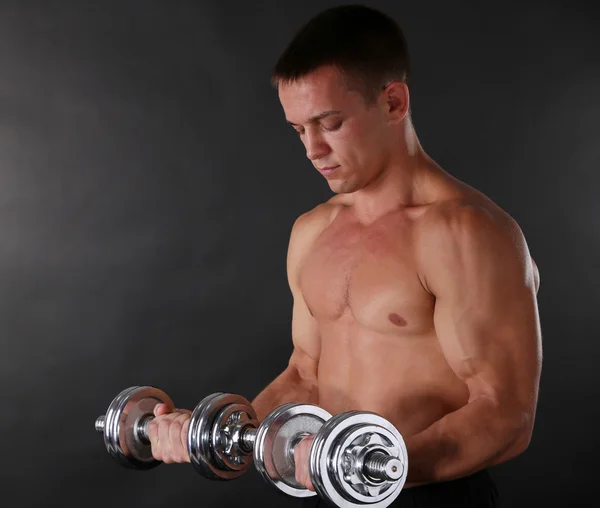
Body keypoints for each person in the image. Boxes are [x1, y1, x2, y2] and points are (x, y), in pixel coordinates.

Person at [147, 5, 542, 506]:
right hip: (329, 492)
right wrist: (219, 432)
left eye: (329, 123)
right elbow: (305, 375)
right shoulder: (313, 231)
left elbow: (506, 415)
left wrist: (361, 467)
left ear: (393, 103)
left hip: (429, 495)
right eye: (298, 130)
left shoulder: (466, 232)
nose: (313, 149)